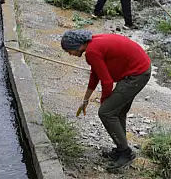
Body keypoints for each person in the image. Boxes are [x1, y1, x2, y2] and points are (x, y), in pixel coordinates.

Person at [60, 30, 152, 172]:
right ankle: (122, 149)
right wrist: (85, 100)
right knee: (118, 111)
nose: (69, 54)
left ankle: (126, 153)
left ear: (76, 46)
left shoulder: (92, 52)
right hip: (141, 69)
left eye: (69, 51)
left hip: (136, 74)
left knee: (106, 113)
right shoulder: (92, 45)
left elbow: (107, 82)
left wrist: (104, 102)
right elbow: (95, 74)